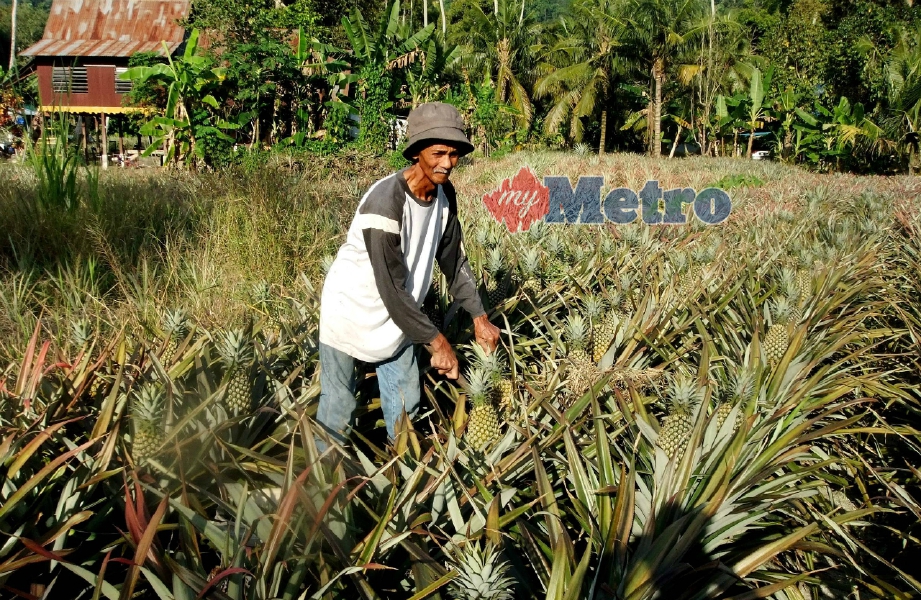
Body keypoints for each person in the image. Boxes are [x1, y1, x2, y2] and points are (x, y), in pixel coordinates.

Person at [317, 102, 500, 446]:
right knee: (338, 410)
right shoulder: (385, 205)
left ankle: (400, 476)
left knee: (406, 406)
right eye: (439, 153)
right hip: (351, 312)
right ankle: (321, 488)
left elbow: (453, 261)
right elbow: (392, 289)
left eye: (455, 153)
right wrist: (439, 343)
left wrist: (479, 316)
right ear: (417, 152)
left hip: (399, 319)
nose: (448, 163)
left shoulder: (445, 195)